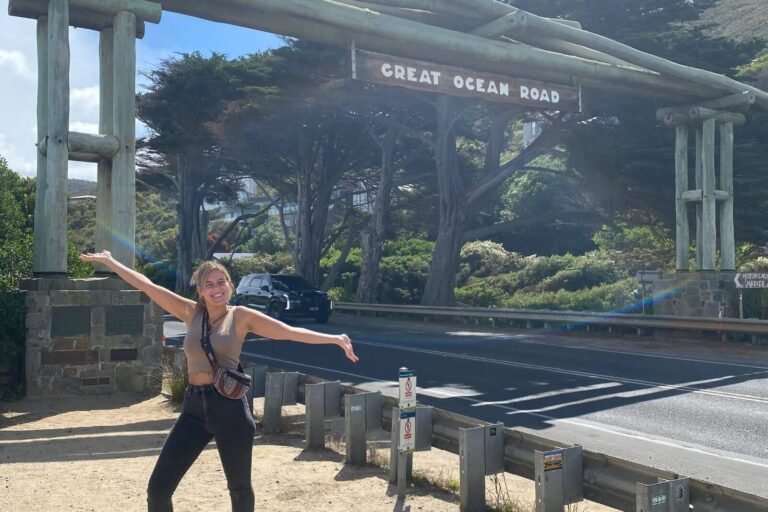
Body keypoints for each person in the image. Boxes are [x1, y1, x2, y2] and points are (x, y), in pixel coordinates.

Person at [79, 251, 359, 512]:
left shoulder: (241, 317)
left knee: (239, 489)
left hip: (230, 411)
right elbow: (150, 287)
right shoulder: (192, 314)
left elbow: (287, 332)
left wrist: (333, 339)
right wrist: (112, 262)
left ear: (230, 284)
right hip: (193, 410)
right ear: (200, 291)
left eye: (221, 281)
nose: (216, 288)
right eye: (208, 284)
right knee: (158, 490)